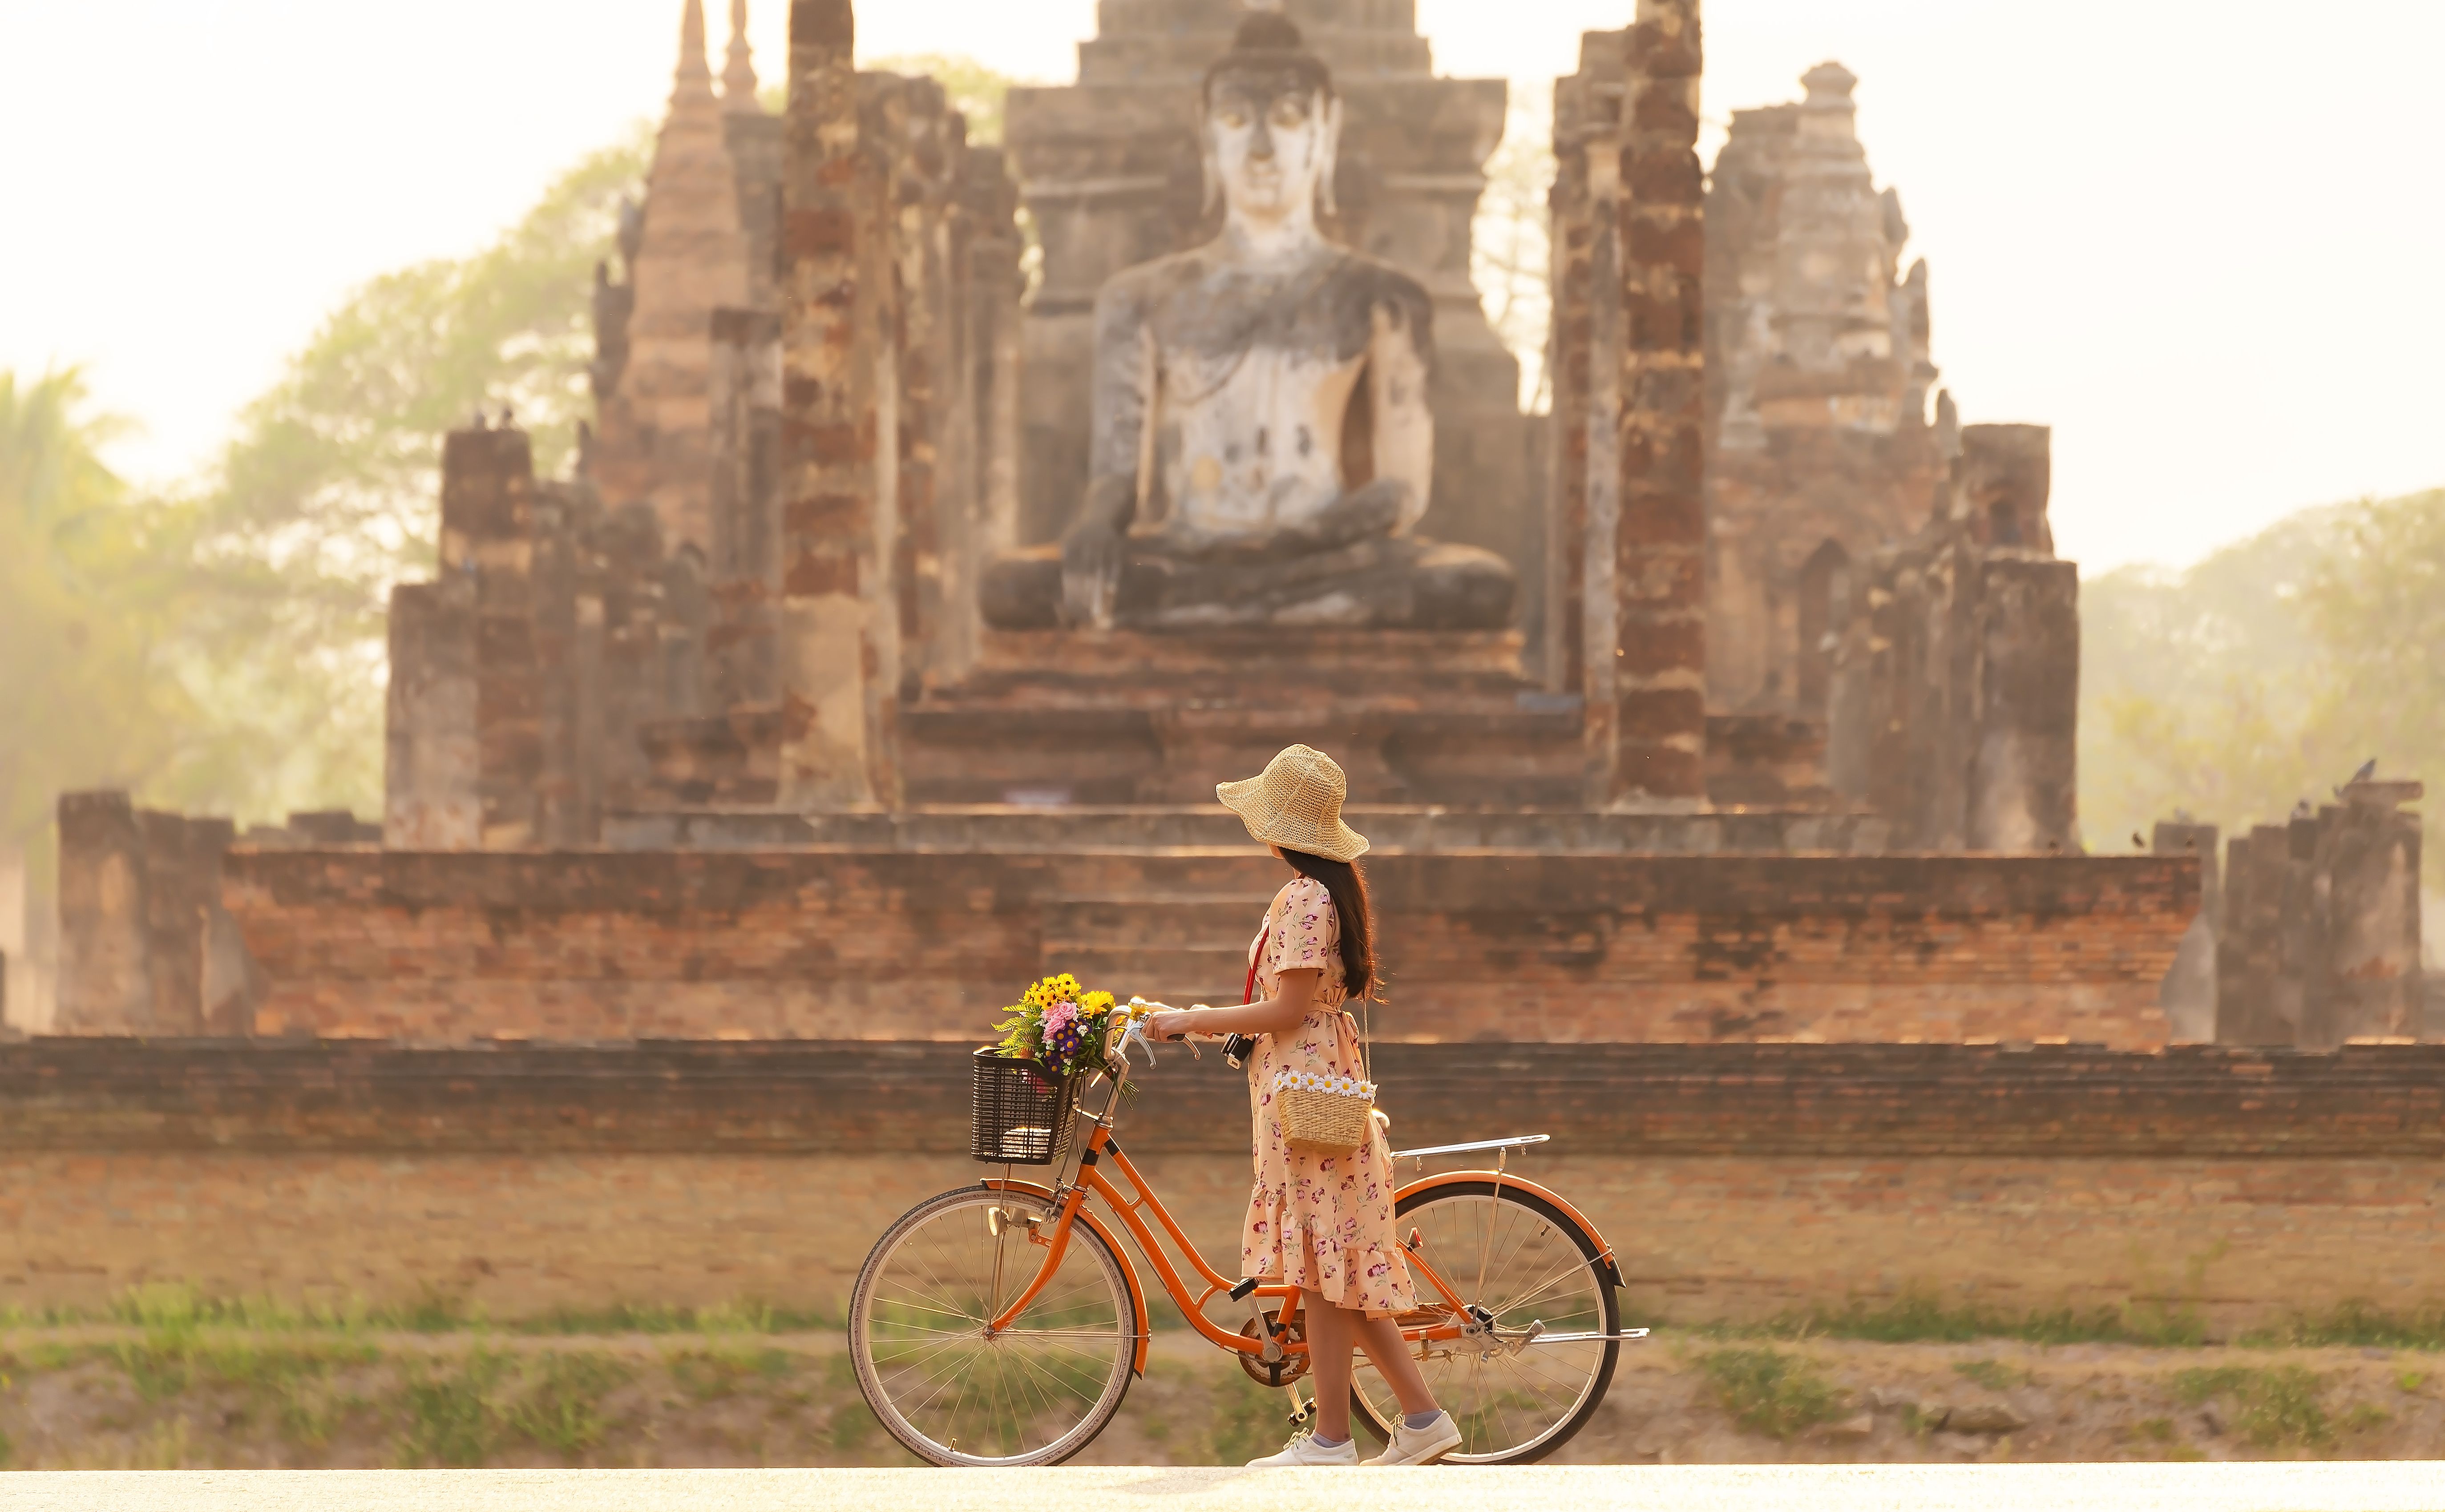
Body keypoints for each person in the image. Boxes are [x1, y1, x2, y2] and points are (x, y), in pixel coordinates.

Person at [1141, 744, 1462, 1467]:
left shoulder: (1305, 898)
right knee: (1335, 1260)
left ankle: (1332, 1439)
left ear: (1276, 827)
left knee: (1321, 1262)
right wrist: (1194, 1015)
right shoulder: (1326, 892)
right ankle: (1421, 1418)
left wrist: (1192, 1017)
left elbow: (1286, 1008)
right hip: (1307, 1079)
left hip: (1303, 1085)